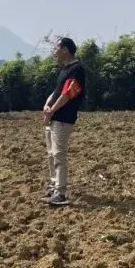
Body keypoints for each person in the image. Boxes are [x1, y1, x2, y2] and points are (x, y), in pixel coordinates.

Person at [41, 37, 86, 207]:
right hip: (54, 117)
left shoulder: (77, 69)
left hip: (63, 118)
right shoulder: (65, 69)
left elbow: (68, 93)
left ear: (65, 49)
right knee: (52, 154)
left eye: (56, 48)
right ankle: (54, 187)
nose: (54, 52)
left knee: (59, 154)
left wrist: (52, 110)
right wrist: (47, 105)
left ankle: (61, 192)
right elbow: (57, 91)